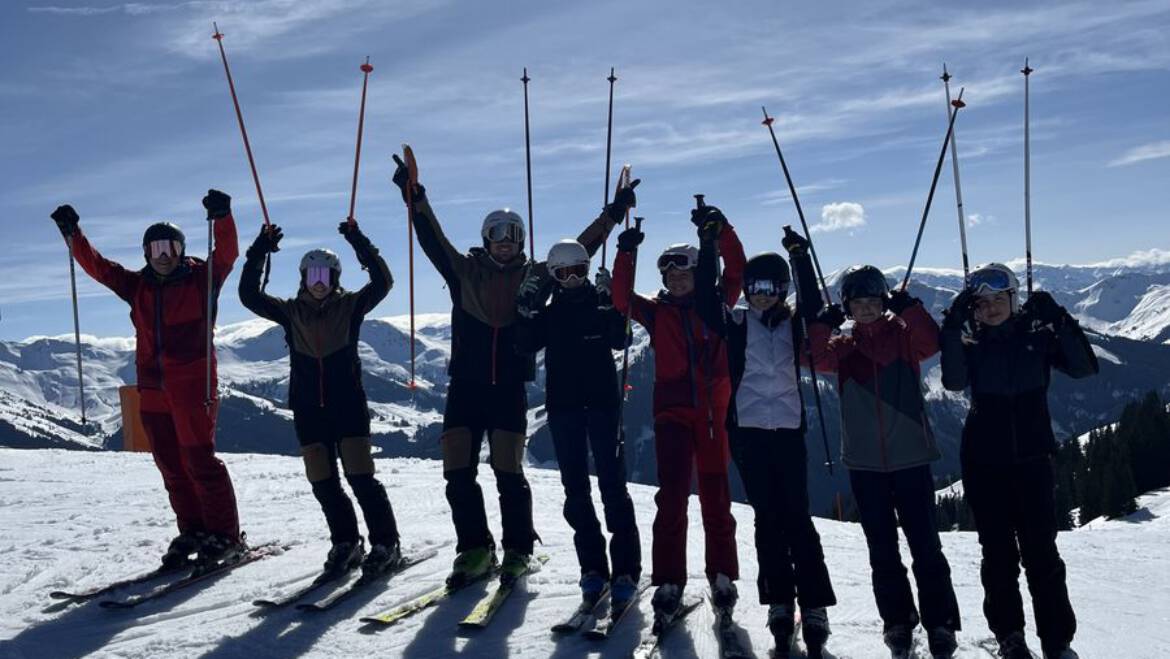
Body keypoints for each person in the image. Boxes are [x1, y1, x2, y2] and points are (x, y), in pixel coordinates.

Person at [390, 152, 637, 586]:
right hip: (465, 386)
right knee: (458, 474)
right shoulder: (464, 272)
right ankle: (474, 548)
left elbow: (579, 251)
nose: (505, 242)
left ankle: (518, 549)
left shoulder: (536, 276)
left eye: (513, 236)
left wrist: (613, 214)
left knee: (508, 473)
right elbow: (433, 240)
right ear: (486, 240)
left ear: (521, 241)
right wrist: (415, 198)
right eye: (497, 235)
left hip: (508, 388)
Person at [49, 191, 244, 567]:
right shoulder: (138, 285)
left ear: (181, 248)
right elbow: (99, 268)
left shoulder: (203, 278)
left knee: (199, 461)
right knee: (169, 463)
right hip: (152, 388)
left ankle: (224, 535)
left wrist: (222, 217)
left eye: (169, 247)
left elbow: (228, 253)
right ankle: (193, 529)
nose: (164, 255)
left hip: (192, 384)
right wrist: (73, 235)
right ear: (146, 253)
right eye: (156, 249)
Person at [940, 263, 1097, 659]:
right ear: (973, 308)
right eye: (982, 303)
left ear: (1014, 298)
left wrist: (1061, 320)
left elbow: (1083, 367)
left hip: (1033, 460)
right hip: (984, 462)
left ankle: (1056, 640)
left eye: (999, 299)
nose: (991, 308)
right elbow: (954, 381)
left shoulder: (1037, 336)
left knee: (1041, 553)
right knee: (998, 557)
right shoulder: (972, 342)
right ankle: (1010, 636)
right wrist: (952, 328)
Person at [695, 226, 835, 654]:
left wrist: (799, 256)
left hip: (789, 433)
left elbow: (814, 307)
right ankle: (779, 599)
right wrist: (708, 247)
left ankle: (813, 605)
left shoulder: (795, 327)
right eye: (753, 287)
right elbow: (705, 301)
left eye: (769, 288)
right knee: (767, 520)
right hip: (750, 435)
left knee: (798, 518)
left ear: (781, 289)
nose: (759, 295)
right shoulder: (736, 325)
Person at [808, 265, 961, 658]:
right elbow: (809, 358)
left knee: (925, 546)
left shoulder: (905, 339)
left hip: (910, 459)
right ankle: (897, 622)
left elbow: (933, 341)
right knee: (882, 550)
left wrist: (908, 307)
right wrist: (822, 325)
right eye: (857, 304)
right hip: (865, 465)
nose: (867, 309)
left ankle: (941, 623)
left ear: (884, 302)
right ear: (847, 308)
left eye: (874, 302)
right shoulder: (842, 349)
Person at [238, 220, 401, 576]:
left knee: (360, 477)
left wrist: (359, 240)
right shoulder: (290, 311)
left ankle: (386, 543)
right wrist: (259, 251)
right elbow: (249, 296)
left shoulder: (352, 306)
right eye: (312, 274)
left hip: (348, 405)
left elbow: (383, 282)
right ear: (301, 276)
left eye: (325, 275)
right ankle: (345, 541)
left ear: (335, 278)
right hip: (309, 408)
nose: (318, 281)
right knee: (323, 480)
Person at [611, 203, 745, 624]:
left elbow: (736, 268)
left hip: (712, 414)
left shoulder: (719, 303)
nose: (677, 279)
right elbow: (620, 299)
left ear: (697, 272)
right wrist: (625, 254)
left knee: (715, 498)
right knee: (671, 498)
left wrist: (721, 230)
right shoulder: (657, 310)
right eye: (670, 274)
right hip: (672, 415)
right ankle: (669, 580)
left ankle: (722, 575)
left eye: (685, 272)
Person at [514, 239, 641, 607]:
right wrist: (526, 308)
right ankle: (593, 570)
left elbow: (622, 339)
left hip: (602, 407)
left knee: (613, 490)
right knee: (576, 493)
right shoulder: (549, 314)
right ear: (553, 275)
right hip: (565, 409)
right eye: (563, 273)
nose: (571, 279)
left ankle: (626, 570)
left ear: (587, 271)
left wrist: (612, 305)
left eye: (578, 271)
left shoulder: (600, 305)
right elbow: (524, 345)